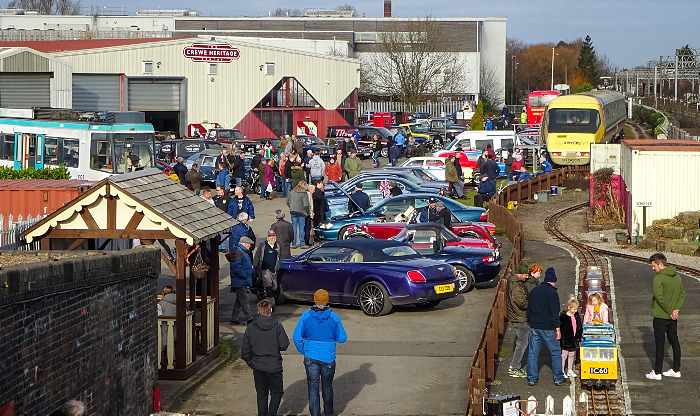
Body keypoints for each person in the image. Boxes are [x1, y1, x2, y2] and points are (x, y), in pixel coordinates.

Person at [293, 289, 348, 416]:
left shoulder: (305, 316)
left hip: (310, 356)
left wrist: (304, 350)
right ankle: (329, 412)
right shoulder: (334, 317)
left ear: (315, 300)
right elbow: (342, 338)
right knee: (327, 386)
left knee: (313, 387)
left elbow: (296, 337)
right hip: (328, 357)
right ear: (327, 300)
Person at [242, 299, 289, 416]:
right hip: (274, 365)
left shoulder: (251, 327)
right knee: (276, 392)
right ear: (271, 310)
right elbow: (284, 345)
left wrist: (251, 363)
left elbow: (245, 350)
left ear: (258, 310)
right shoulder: (277, 326)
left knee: (262, 394)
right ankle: (272, 413)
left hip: (258, 365)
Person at [646, 252, 686, 380]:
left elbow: (659, 297)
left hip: (660, 315)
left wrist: (669, 310)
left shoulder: (658, 278)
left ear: (660, 264)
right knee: (674, 341)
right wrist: (676, 310)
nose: (653, 268)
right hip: (673, 317)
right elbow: (682, 295)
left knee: (659, 344)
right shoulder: (677, 277)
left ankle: (657, 372)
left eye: (654, 266)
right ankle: (676, 369)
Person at [526, 267, 566, 386]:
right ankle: (558, 378)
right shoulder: (553, 294)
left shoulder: (534, 291)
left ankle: (531, 378)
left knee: (533, 353)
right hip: (548, 328)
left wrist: (530, 322)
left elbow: (529, 310)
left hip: (535, 326)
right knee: (555, 352)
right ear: (553, 280)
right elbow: (555, 314)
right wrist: (558, 329)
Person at [506, 261, 532, 378]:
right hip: (519, 317)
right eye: (526, 275)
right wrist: (532, 304)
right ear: (520, 273)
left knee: (522, 342)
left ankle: (516, 366)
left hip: (518, 316)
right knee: (522, 343)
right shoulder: (516, 286)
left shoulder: (515, 283)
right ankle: (514, 367)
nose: (527, 277)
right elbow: (521, 303)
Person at [227, 236, 255, 325]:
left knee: (239, 301)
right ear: (245, 244)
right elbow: (236, 267)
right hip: (241, 281)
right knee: (244, 300)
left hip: (241, 281)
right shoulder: (240, 253)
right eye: (249, 244)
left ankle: (234, 318)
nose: (250, 246)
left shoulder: (241, 252)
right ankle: (249, 318)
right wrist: (245, 275)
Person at [253, 230, 282, 307]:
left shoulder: (278, 246)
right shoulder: (262, 245)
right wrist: (255, 265)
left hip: (274, 270)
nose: (271, 238)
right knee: (268, 285)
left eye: (273, 236)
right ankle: (271, 305)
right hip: (265, 270)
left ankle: (269, 302)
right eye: (270, 236)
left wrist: (278, 267)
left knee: (274, 287)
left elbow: (280, 257)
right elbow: (257, 256)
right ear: (267, 237)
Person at [560, 295, 583, 379]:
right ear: (569, 308)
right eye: (574, 309)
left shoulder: (576, 316)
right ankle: (561, 370)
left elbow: (579, 326)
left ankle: (569, 369)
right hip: (566, 339)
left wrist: (578, 335)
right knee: (564, 355)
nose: (575, 311)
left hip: (574, 339)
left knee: (572, 354)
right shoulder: (564, 317)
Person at [287, 180, 311, 249]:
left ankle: (293, 243)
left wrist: (291, 207)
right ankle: (302, 243)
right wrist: (307, 212)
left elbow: (287, 201)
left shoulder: (292, 192)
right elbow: (306, 204)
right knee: (301, 228)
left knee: (294, 227)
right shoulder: (304, 193)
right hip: (302, 212)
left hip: (293, 211)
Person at [158, 285, 177, 366]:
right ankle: (173, 358)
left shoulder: (162, 303)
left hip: (164, 328)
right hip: (176, 329)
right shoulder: (178, 302)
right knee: (172, 340)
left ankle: (162, 360)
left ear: (163, 293)